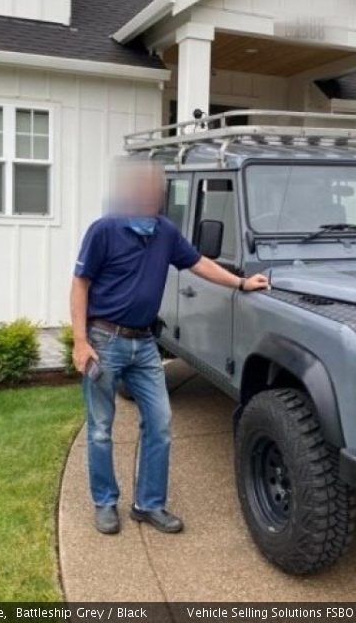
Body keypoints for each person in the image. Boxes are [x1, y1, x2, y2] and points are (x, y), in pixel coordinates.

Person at [70, 160, 269, 535]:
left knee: (160, 423)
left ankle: (149, 505)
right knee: (100, 428)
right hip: (104, 340)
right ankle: (105, 503)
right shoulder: (104, 230)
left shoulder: (164, 232)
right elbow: (80, 284)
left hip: (145, 343)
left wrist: (241, 284)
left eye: (156, 187)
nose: (152, 193)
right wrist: (80, 342)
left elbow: (199, 264)